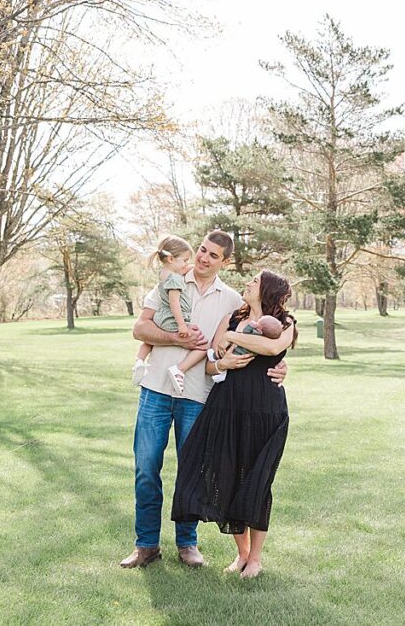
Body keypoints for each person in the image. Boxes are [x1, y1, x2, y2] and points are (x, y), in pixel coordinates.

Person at [119, 231, 287, 569]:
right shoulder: (170, 281)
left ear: (225, 262)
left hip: (198, 395)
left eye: (213, 255)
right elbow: (140, 329)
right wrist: (176, 337)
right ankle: (146, 545)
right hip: (155, 389)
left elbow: (260, 336)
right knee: (146, 469)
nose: (203, 258)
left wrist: (280, 365)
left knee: (192, 471)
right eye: (201, 250)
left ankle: (187, 544)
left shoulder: (230, 301)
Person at [171, 270, 297, 579]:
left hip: (265, 410)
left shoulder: (286, 323)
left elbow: (270, 348)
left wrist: (232, 337)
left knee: (257, 482)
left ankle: (255, 559)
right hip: (226, 406)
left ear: (266, 290)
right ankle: (241, 554)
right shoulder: (230, 317)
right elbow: (211, 363)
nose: (248, 283)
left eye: (254, 281)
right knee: (227, 478)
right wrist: (222, 362)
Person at [132, 235, 208, 397]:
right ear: (171, 258)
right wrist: (181, 325)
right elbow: (175, 303)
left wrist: (185, 267)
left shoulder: (165, 273)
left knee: (149, 340)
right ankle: (179, 370)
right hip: (173, 319)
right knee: (202, 346)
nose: (187, 264)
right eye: (185, 260)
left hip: (160, 317)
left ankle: (139, 361)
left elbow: (179, 270)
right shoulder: (175, 279)